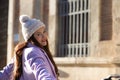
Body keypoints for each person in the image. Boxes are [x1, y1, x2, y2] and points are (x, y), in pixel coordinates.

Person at [0, 15, 59, 80]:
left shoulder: (23, 51)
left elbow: (4, 74)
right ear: (31, 38)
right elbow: (42, 72)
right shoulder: (33, 52)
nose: (44, 36)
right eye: (38, 34)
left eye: (44, 31)